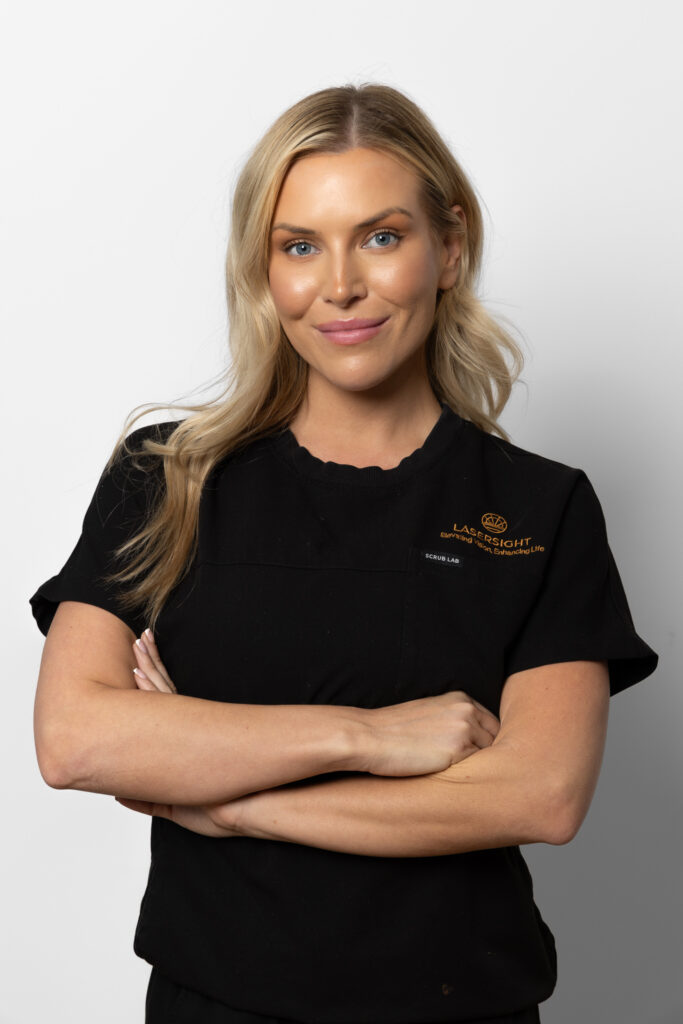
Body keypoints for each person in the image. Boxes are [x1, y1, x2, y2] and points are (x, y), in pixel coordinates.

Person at [30, 83, 657, 1024]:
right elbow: (76, 740)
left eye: (380, 236)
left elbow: (538, 794)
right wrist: (369, 736)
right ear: (263, 270)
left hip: (461, 1009)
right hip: (215, 1004)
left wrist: (232, 800)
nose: (339, 287)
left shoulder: (539, 505)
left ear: (448, 248)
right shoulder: (167, 477)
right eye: (298, 246)